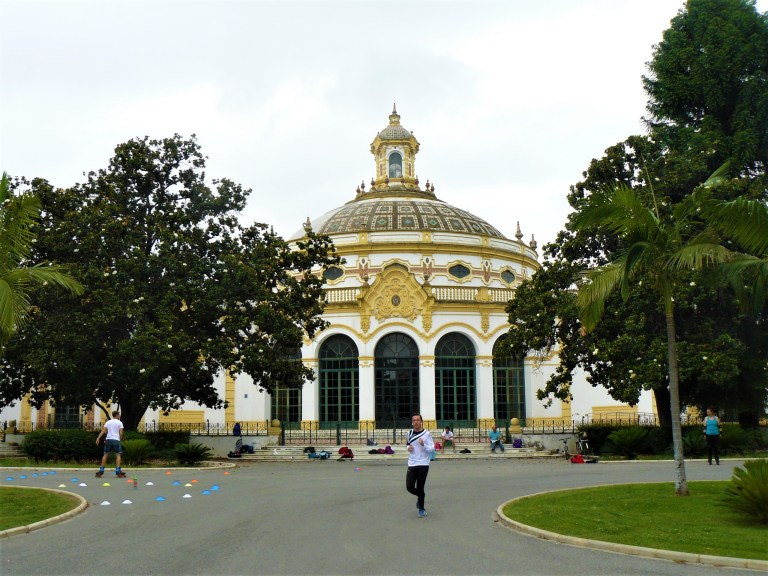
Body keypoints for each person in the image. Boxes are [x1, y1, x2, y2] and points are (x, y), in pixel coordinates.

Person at [406, 414, 434, 518]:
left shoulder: (427, 434)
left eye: (418, 420)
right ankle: (421, 495)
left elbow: (432, 449)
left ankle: (421, 509)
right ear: (412, 422)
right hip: (412, 463)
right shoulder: (409, 433)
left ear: (421, 421)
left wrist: (424, 445)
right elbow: (407, 444)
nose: (416, 422)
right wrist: (408, 448)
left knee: (420, 487)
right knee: (409, 487)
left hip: (423, 463)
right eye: (414, 420)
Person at [95, 410, 126, 478]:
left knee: (105, 454)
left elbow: (103, 431)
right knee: (118, 455)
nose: (119, 416)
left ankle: (101, 470)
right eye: (119, 415)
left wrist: (98, 438)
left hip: (108, 440)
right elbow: (121, 433)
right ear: (117, 415)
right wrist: (120, 440)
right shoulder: (120, 423)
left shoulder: (108, 422)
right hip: (116, 440)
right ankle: (118, 470)